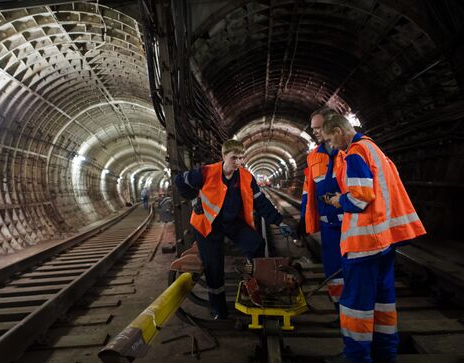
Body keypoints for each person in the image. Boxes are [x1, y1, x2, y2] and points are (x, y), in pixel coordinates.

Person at [321, 114, 426, 363]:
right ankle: (385, 354)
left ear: (338, 130)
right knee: (383, 303)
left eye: (330, 139)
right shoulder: (373, 148)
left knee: (355, 305)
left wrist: (338, 200)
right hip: (384, 242)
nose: (331, 146)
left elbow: (359, 198)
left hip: (364, 244)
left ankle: (356, 357)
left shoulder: (355, 153)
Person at [174, 139, 293, 319]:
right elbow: (179, 180)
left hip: (231, 222)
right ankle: (218, 310)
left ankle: (252, 284)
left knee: (256, 243)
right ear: (224, 157)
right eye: (234, 158)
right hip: (208, 224)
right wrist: (193, 199)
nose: (238, 162)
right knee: (214, 267)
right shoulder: (206, 172)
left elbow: (261, 202)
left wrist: (279, 222)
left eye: (241, 158)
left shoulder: (246, 177)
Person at [300, 107, 345, 316]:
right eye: (313, 128)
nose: (315, 132)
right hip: (329, 227)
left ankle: (354, 314)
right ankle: (340, 313)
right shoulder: (313, 157)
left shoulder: (348, 151)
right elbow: (308, 191)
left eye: (318, 128)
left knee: (353, 272)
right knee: (333, 274)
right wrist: (303, 219)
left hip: (352, 224)